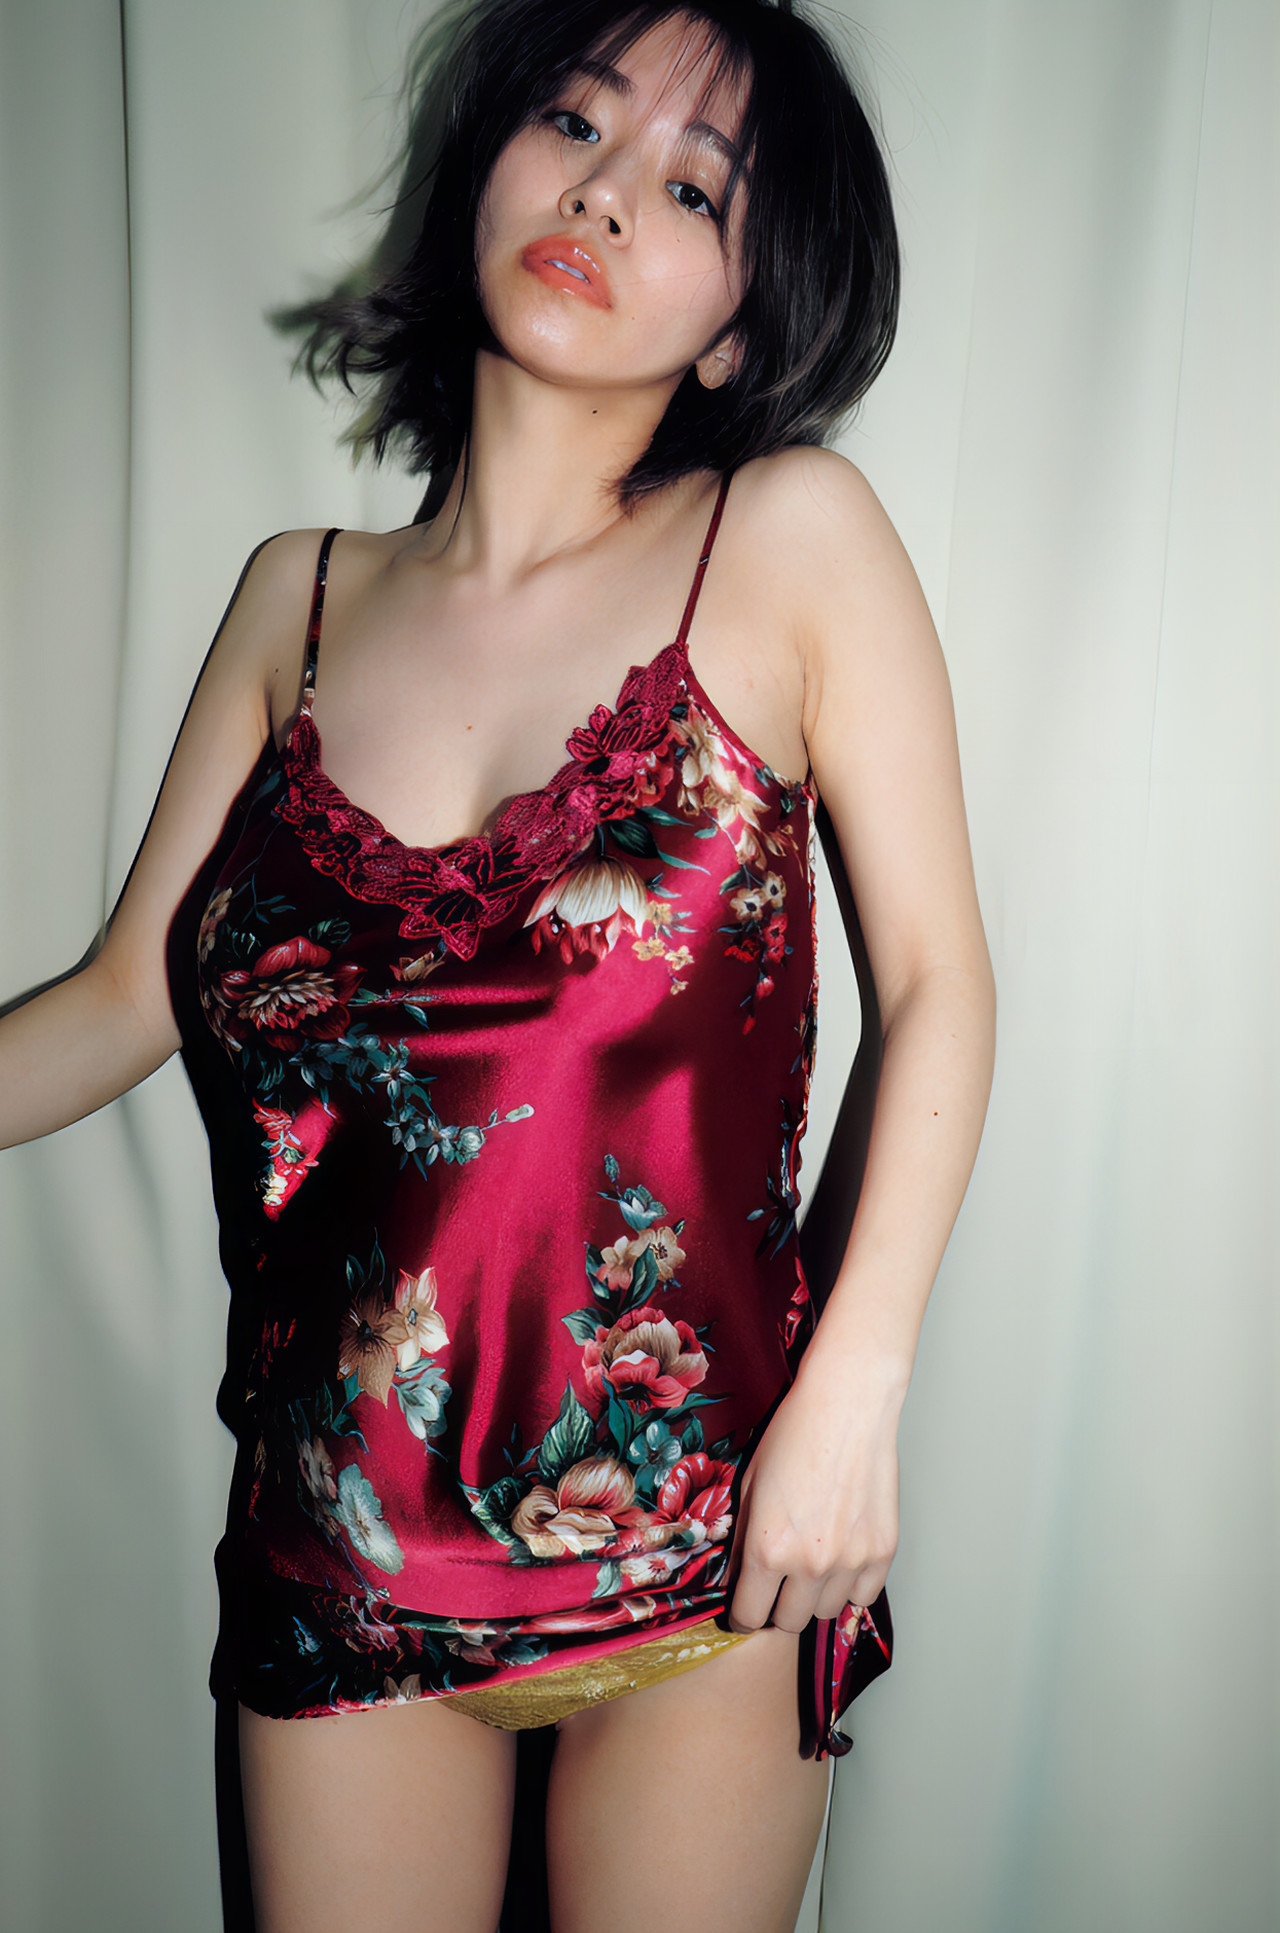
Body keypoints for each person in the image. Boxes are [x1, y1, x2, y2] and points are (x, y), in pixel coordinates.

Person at [0, 0, 996, 1927]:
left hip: (702, 1546)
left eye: (694, 188)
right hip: (338, 1539)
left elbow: (942, 985)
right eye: (575, 122)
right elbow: (124, 1003)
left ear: (740, 322)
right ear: (487, 164)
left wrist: (859, 1391)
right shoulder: (293, 600)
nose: (604, 195)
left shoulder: (786, 542)